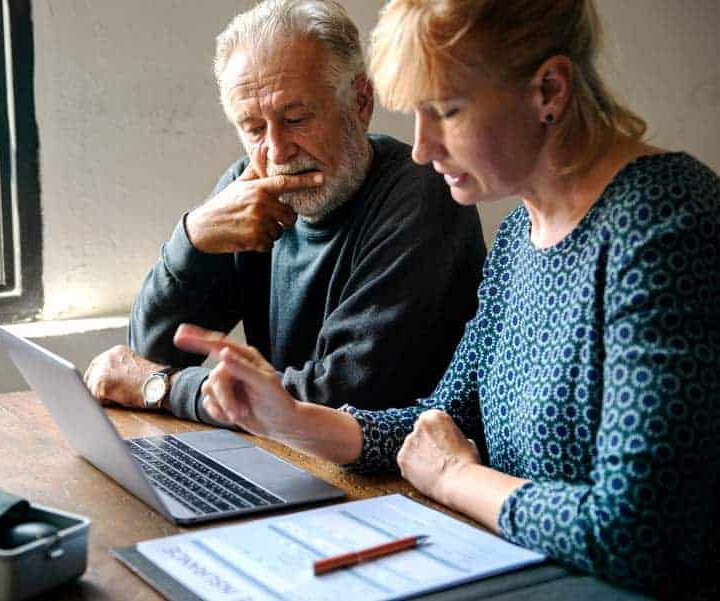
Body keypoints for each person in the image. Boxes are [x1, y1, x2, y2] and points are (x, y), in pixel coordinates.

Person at [173, 0, 720, 596]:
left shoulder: (666, 222)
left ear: (549, 91)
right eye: (415, 115)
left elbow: (638, 533)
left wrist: (457, 478)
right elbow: (444, 418)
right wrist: (290, 418)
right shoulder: (519, 233)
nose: (421, 149)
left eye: (447, 112)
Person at [84, 0, 486, 424]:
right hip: (288, 457)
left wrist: (163, 389)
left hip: (393, 476)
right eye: (254, 129)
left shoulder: (423, 195)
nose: (277, 150)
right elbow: (149, 352)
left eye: (295, 119)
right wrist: (192, 237)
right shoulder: (249, 189)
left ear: (361, 101)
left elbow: (339, 399)